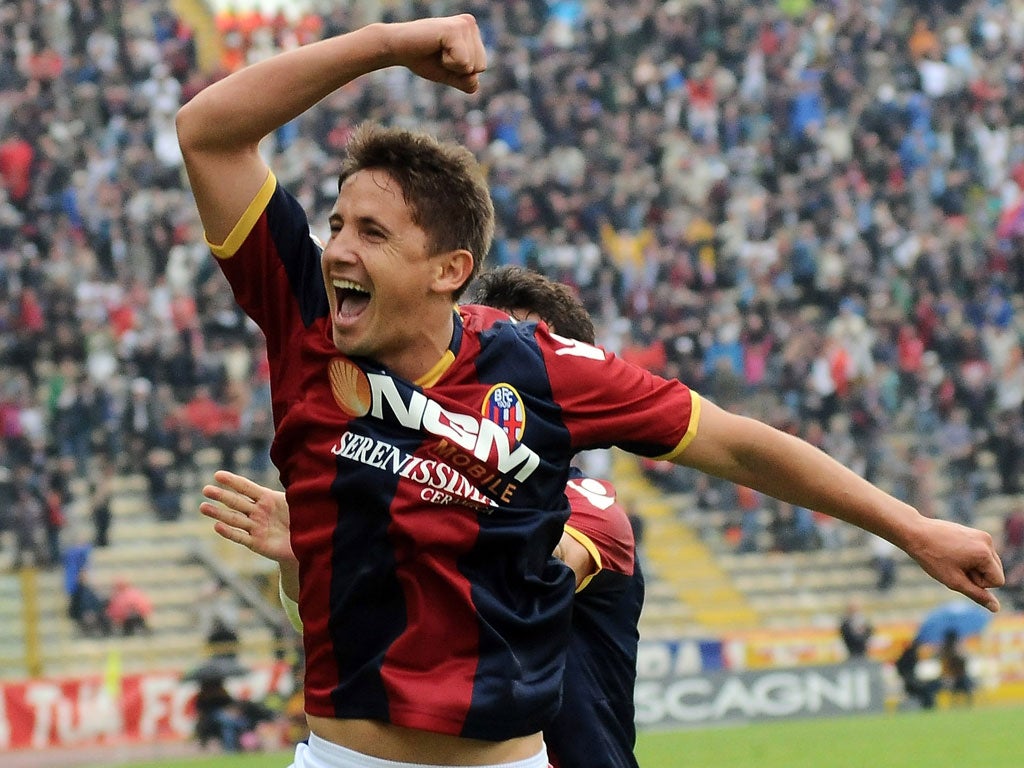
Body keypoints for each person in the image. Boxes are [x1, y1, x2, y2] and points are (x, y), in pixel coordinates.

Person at [176, 14, 1003, 767]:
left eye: (373, 233)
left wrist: (913, 528)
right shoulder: (303, 317)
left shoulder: (541, 366)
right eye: (337, 224)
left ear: (449, 272)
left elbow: (738, 442)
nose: (337, 249)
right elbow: (208, 133)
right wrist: (388, 45)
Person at [202, 266, 644, 768]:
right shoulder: (434, 496)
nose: (501, 367)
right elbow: (352, 626)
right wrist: (307, 557)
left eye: (528, 352)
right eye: (488, 342)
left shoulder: (594, 508)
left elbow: (518, 567)